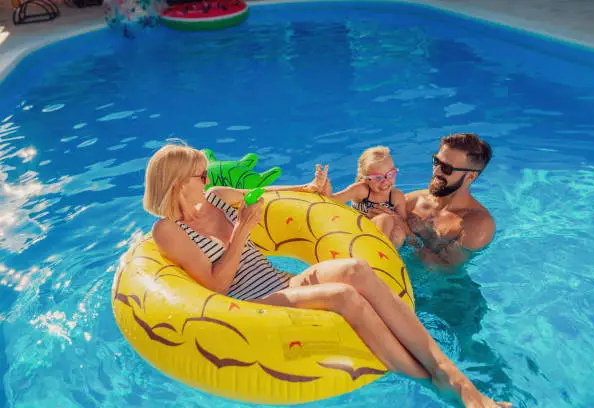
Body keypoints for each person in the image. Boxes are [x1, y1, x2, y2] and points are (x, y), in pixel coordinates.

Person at [142, 143, 510, 408]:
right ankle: (436, 384)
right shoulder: (168, 231)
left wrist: (309, 190)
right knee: (343, 297)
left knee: (355, 270)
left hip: (282, 282)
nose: (207, 177)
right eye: (200, 174)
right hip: (247, 303)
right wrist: (241, 231)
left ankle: (448, 373)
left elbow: (267, 193)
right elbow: (217, 285)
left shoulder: (217, 196)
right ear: (178, 183)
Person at [402, 132, 495, 267]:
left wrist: (410, 236)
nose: (436, 171)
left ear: (471, 176)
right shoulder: (414, 201)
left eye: (447, 168)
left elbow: (445, 272)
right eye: (436, 162)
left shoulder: (477, 224)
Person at [317, 146, 410, 248]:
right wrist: (324, 186)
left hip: (380, 236)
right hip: (357, 232)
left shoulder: (396, 196)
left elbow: (404, 223)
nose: (385, 181)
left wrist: (394, 215)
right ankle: (379, 256)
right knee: (385, 219)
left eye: (390, 174)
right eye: (378, 178)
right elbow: (331, 202)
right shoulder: (361, 190)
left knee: (398, 234)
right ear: (365, 179)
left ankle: (388, 257)